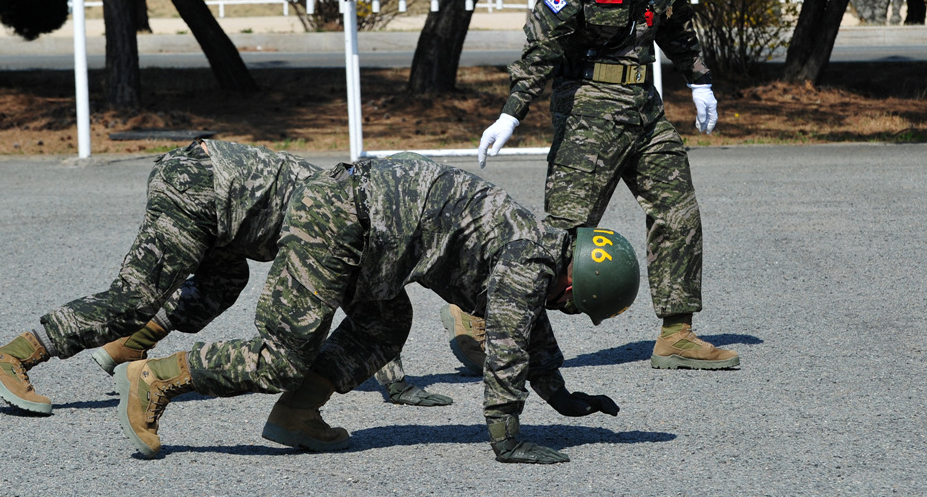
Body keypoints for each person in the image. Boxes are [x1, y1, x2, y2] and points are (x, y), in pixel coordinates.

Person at [113, 153, 640, 464]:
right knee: (281, 355)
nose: (567, 310)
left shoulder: (538, 249)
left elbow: (530, 332)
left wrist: (565, 399)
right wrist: (507, 439)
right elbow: (505, 350)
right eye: (575, 305)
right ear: (576, 287)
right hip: (341, 218)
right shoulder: (529, 262)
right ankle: (157, 377)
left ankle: (297, 413)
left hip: (367, 232)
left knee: (385, 322)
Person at [447, 0, 739, 374]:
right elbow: (542, 47)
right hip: (587, 112)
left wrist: (700, 80)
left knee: (679, 212)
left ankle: (677, 333)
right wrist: (512, 112)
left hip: (643, 107)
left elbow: (674, 18)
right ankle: (474, 311)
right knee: (562, 235)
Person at [0, 140, 447, 416]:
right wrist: (397, 384)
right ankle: (12, 357)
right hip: (200, 188)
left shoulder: (348, 198)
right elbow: (371, 306)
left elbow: (367, 300)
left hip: (218, 201)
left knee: (223, 280)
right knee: (134, 296)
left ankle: (128, 346)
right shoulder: (347, 219)